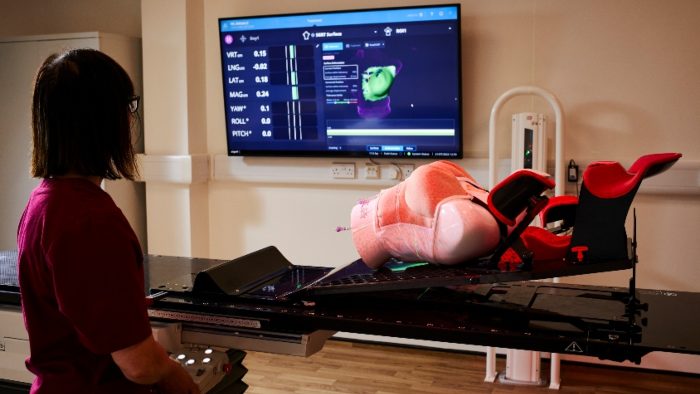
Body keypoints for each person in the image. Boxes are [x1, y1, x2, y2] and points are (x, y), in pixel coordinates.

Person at [16, 48, 200, 393]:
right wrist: (177, 376)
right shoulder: (90, 221)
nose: (131, 119)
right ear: (104, 120)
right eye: (127, 108)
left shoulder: (42, 202)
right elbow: (140, 366)